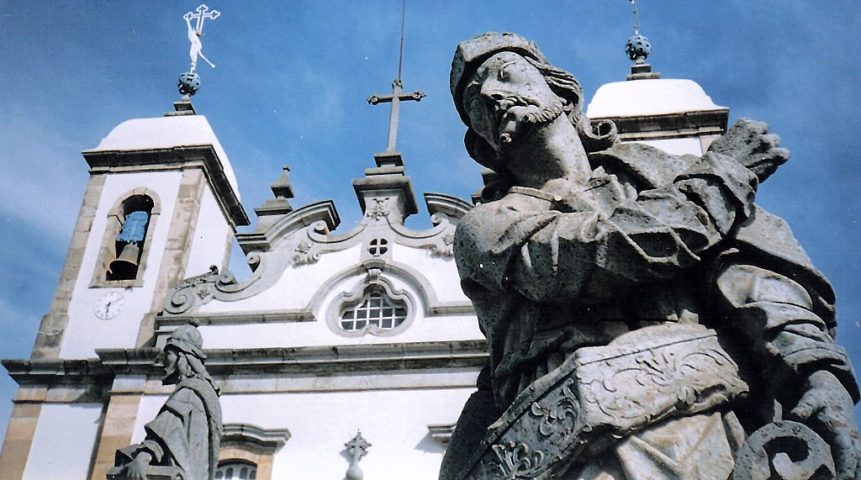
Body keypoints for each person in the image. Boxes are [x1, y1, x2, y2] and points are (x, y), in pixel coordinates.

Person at [443, 32, 860, 479]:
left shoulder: (655, 173)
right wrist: (722, 177)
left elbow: (741, 271)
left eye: (507, 74)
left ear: (560, 89)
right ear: (481, 142)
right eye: (474, 99)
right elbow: (598, 253)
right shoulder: (487, 225)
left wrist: (814, 369)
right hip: (578, 450)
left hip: (708, 422)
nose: (491, 93)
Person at [113, 323, 222, 480]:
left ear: (182, 358)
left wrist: (143, 457)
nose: (164, 361)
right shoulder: (207, 393)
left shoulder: (189, 392)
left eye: (169, 355)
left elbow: (166, 427)